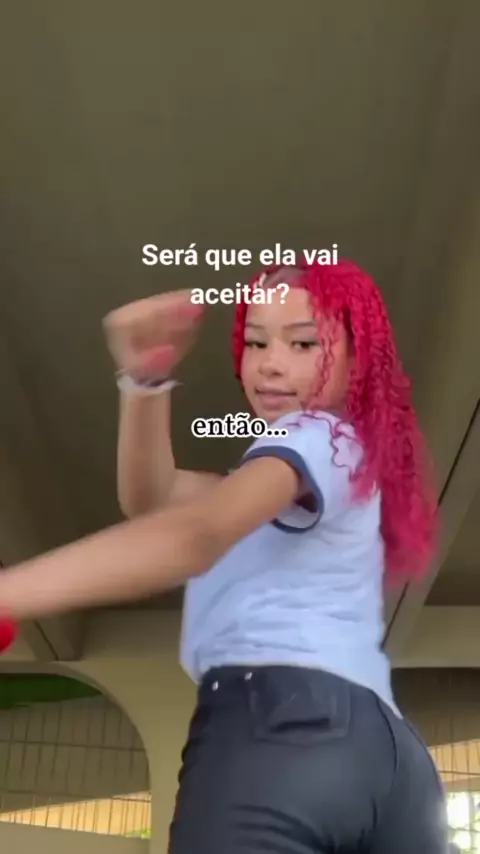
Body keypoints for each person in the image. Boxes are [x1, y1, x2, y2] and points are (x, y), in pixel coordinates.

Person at [0, 258, 449, 852]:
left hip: (284, 727)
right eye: (256, 341)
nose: (270, 362)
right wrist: (144, 382)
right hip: (395, 767)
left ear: (358, 357)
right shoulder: (329, 465)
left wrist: (9, 592)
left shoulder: (315, 435)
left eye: (304, 343)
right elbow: (152, 498)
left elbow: (193, 535)